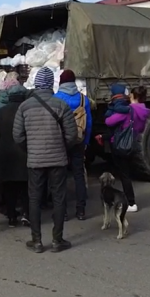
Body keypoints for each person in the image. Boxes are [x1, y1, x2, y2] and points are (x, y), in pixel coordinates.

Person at [12, 66, 78, 253]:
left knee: (34, 199)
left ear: (36, 84)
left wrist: (31, 149)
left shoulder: (24, 106)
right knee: (59, 198)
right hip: (58, 160)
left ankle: (37, 241)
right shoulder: (61, 105)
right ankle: (57, 240)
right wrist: (61, 147)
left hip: (35, 161)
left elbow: (17, 136)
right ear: (51, 84)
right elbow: (72, 135)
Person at [104, 83, 150, 212]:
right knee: (127, 173)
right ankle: (128, 201)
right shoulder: (143, 111)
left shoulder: (128, 111)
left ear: (133, 96)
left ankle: (131, 203)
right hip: (132, 143)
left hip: (121, 145)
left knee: (124, 176)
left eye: (130, 95)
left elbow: (109, 121)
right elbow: (140, 128)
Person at [54, 69, 92, 220]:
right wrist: (86, 141)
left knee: (61, 176)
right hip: (79, 140)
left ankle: (63, 212)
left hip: (61, 142)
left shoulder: (56, 99)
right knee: (78, 174)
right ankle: (81, 210)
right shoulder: (83, 99)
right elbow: (89, 123)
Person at [0, 85, 29, 227]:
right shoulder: (27, 110)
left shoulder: (2, 111)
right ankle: (27, 214)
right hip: (24, 153)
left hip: (6, 155)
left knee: (9, 188)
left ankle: (12, 216)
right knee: (26, 188)